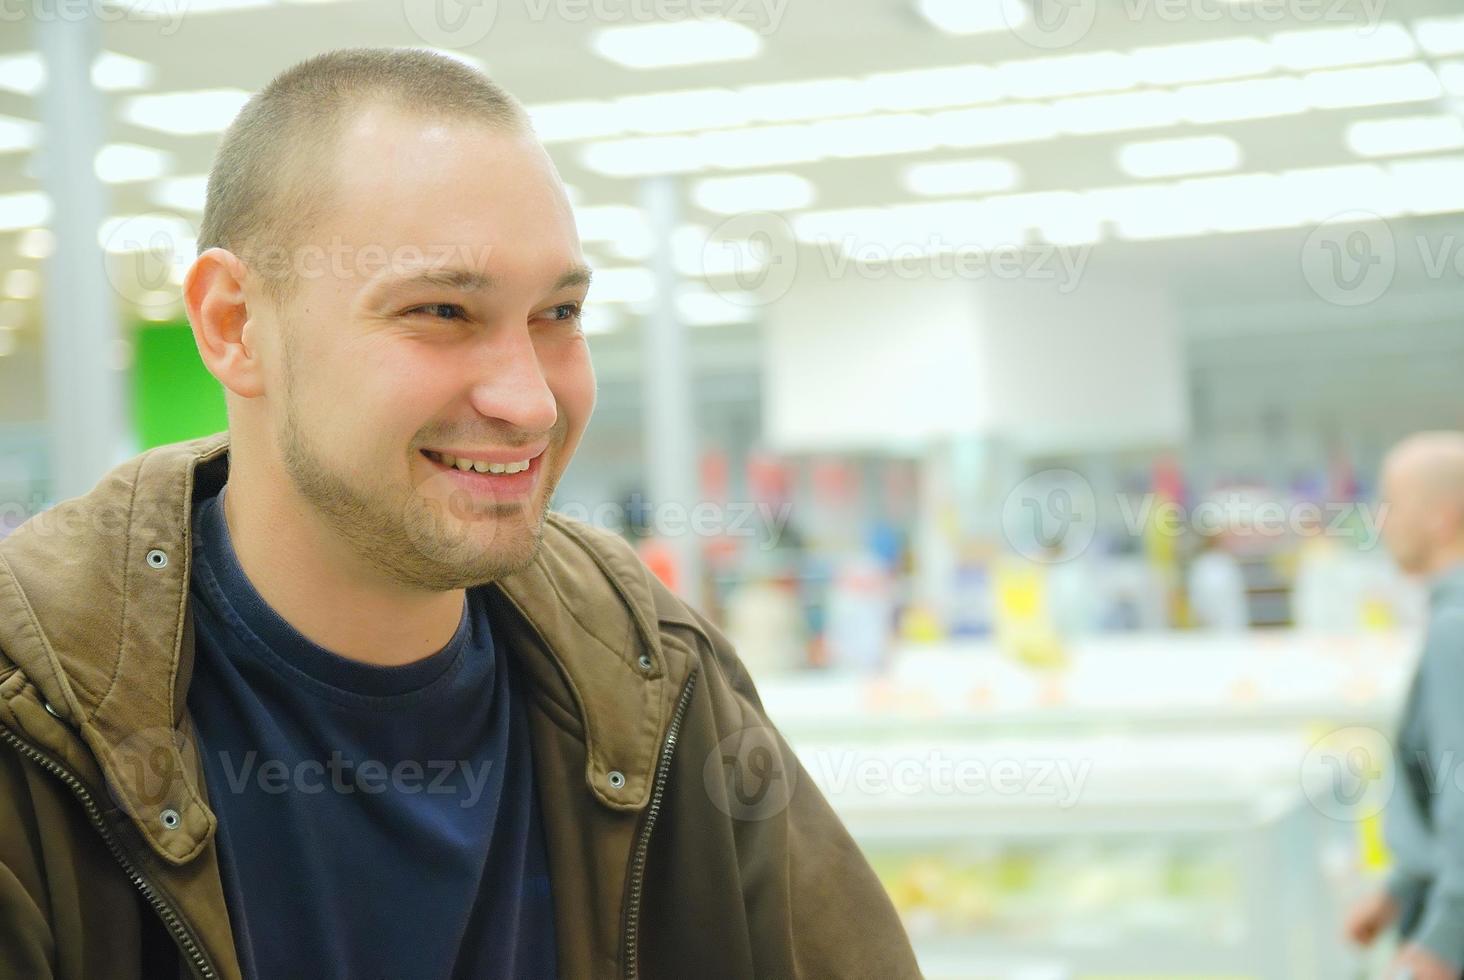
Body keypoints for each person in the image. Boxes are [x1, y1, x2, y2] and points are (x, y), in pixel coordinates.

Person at [0, 49, 921, 980]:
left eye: (558, 313)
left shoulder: (654, 669)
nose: (531, 401)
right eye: (442, 310)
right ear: (235, 326)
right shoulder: (32, 714)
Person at [1345, 431, 1464, 980]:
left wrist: (1445, 940)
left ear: (1443, 518)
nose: (1380, 520)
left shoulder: (1454, 626)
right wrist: (1401, 887)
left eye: (1390, 503)